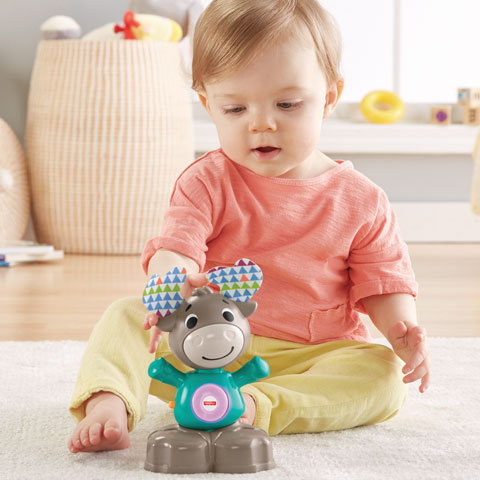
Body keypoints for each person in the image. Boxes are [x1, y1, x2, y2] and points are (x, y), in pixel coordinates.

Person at [68, 0, 430, 454]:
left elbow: (383, 283)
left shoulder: (363, 200)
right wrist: (174, 281)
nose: (262, 123)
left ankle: (254, 405)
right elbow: (175, 248)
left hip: (313, 354)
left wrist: (402, 330)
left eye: (287, 104)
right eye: (236, 108)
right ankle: (110, 401)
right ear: (209, 105)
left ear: (329, 97)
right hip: (202, 343)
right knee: (124, 315)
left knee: (382, 374)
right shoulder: (206, 181)